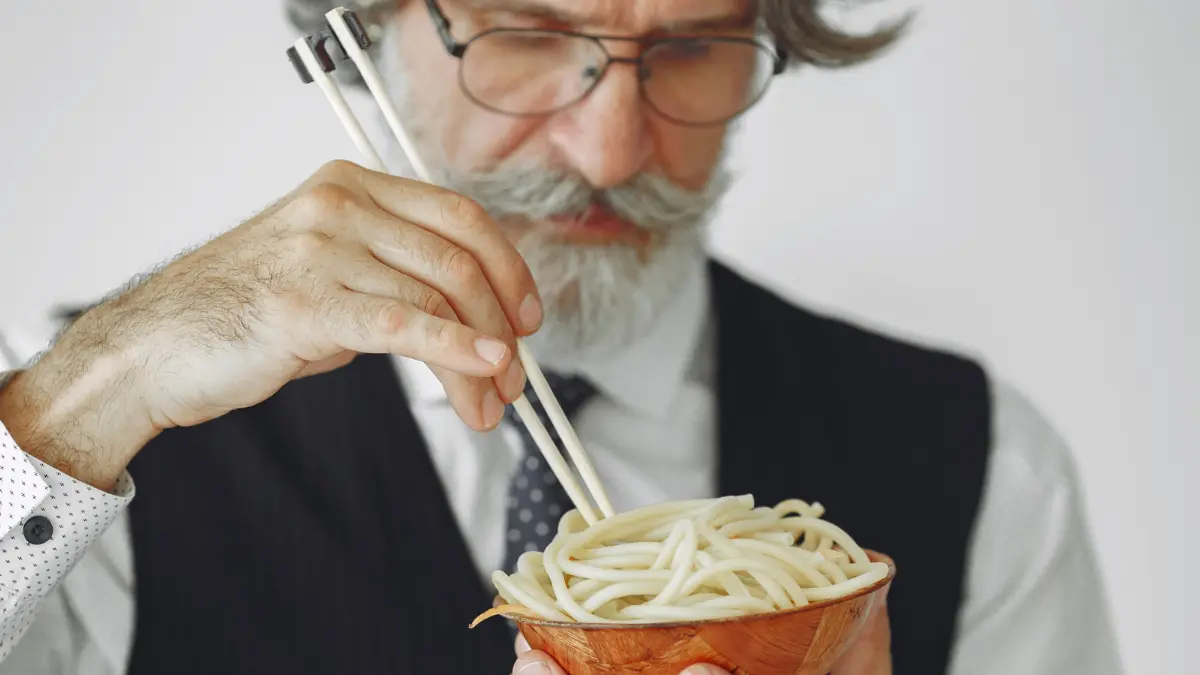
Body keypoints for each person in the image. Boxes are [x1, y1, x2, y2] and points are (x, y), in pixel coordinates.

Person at [0, 0, 1122, 673]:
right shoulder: (91, 443)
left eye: (691, 48)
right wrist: (91, 388)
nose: (609, 151)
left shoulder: (986, 467)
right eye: (528, 31)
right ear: (368, 28)